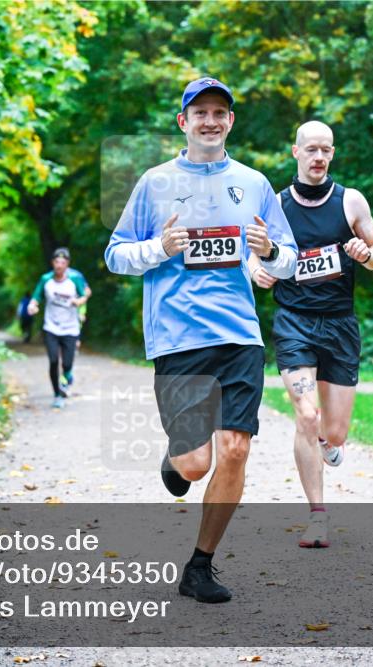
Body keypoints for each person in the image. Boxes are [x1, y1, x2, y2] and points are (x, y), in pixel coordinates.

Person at [105, 77, 297, 603]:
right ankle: (176, 458)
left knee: (235, 449)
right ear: (183, 122)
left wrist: (270, 252)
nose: (210, 121)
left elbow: (289, 258)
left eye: (219, 113)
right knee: (195, 465)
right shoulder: (154, 183)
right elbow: (115, 255)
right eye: (200, 113)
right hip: (178, 338)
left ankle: (199, 566)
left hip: (239, 335)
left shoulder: (254, 183)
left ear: (230, 121)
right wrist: (159, 248)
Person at [248, 120, 373, 548]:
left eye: (326, 150)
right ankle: (318, 517)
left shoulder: (351, 201)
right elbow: (251, 252)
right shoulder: (276, 205)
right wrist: (256, 270)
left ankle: (330, 442)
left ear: (333, 153)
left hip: (340, 324)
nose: (319, 157)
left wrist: (366, 254)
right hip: (294, 322)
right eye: (311, 149)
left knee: (336, 432)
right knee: (306, 416)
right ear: (296, 152)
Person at [28, 248, 91, 408]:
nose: (59, 265)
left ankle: (67, 375)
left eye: (63, 262)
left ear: (67, 264)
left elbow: (85, 294)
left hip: (70, 328)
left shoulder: (75, 278)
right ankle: (57, 394)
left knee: (67, 364)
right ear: (52, 263)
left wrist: (79, 302)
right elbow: (36, 297)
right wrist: (32, 306)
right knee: (53, 360)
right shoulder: (46, 279)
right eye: (56, 262)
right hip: (51, 327)